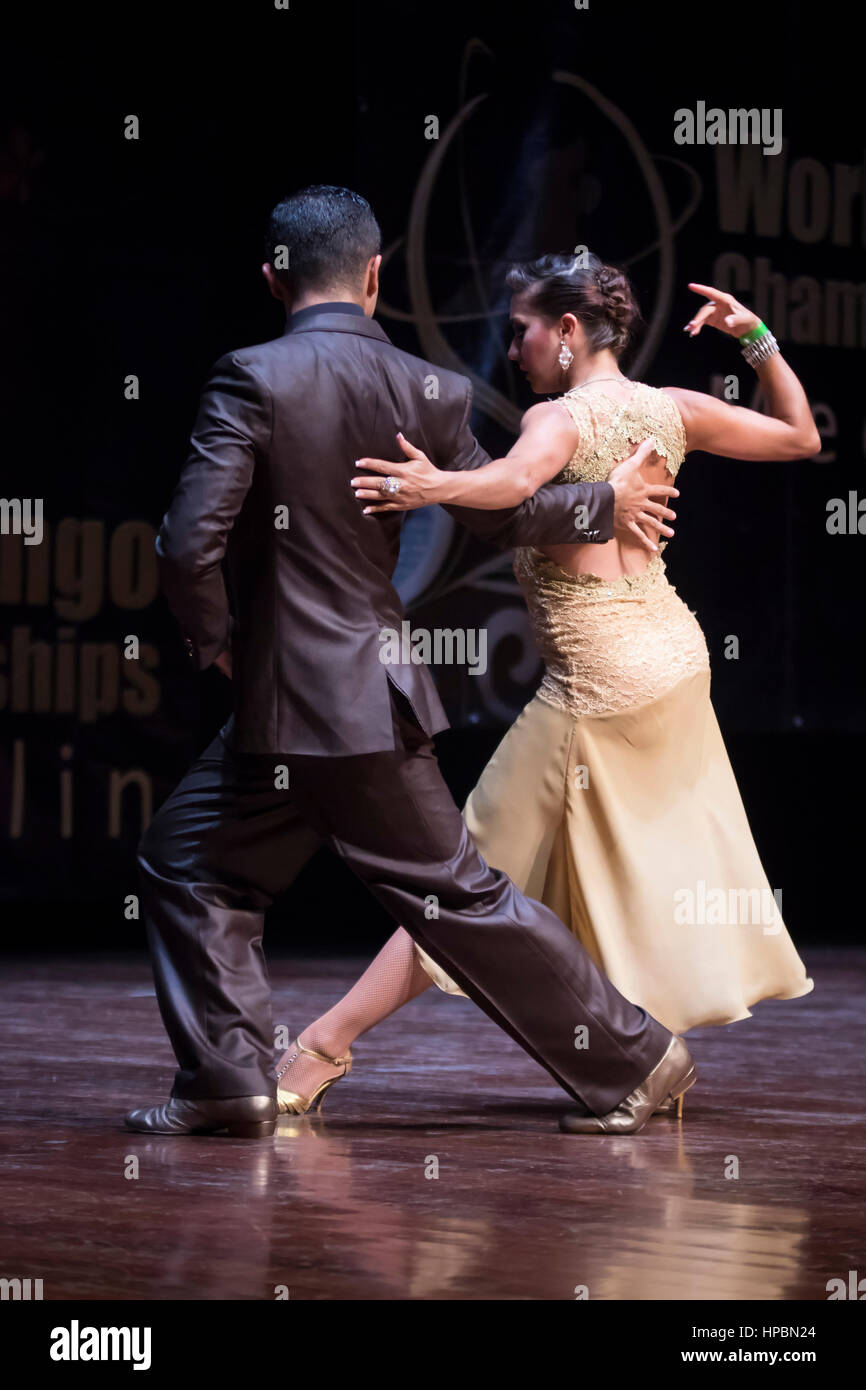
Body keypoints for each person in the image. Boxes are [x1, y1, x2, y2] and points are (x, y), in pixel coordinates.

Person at [125, 188, 693, 1141]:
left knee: (452, 897)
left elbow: (187, 546)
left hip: (300, 703)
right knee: (191, 860)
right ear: (378, 276)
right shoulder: (430, 387)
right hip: (352, 697)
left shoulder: (250, 376)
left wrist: (215, 639)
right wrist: (597, 505)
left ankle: (635, 1056)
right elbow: (493, 509)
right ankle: (227, 1082)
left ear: (272, 275)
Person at [272, 253, 816, 1131]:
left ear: (567, 332)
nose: (514, 345)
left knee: (458, 883)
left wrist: (431, 486)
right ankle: (634, 1058)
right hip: (674, 660)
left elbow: (514, 485)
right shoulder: (669, 408)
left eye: (524, 328)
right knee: (611, 871)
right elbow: (801, 437)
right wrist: (753, 337)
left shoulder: (562, 416)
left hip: (601, 682)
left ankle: (324, 1046)